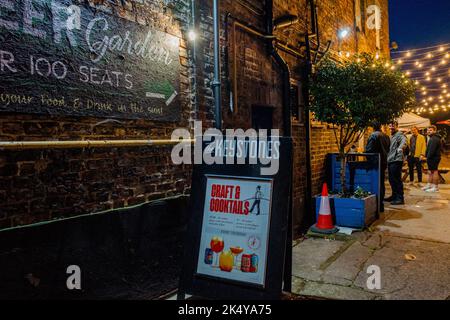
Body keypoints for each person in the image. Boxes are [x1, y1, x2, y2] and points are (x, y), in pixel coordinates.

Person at [365, 121, 391, 212]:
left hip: (375, 162)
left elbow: (369, 150)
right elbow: (388, 149)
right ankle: (381, 204)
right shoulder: (386, 136)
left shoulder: (373, 136)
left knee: (375, 183)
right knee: (381, 182)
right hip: (384, 161)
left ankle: (376, 205)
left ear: (373, 127)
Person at [385, 122, 407, 205]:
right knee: (391, 179)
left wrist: (400, 148)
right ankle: (394, 196)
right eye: (390, 126)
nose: (391, 127)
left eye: (393, 126)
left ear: (397, 126)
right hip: (390, 159)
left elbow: (404, 142)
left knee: (396, 179)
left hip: (396, 160)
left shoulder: (400, 134)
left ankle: (400, 198)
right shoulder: (391, 135)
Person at [422, 126, 442, 193]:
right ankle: (429, 185)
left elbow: (432, 150)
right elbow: (428, 149)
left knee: (434, 172)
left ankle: (435, 187)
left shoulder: (434, 139)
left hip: (434, 158)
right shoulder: (432, 138)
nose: (428, 131)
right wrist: (425, 155)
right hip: (431, 158)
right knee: (430, 172)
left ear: (434, 131)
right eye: (428, 130)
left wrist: (427, 157)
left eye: (430, 130)